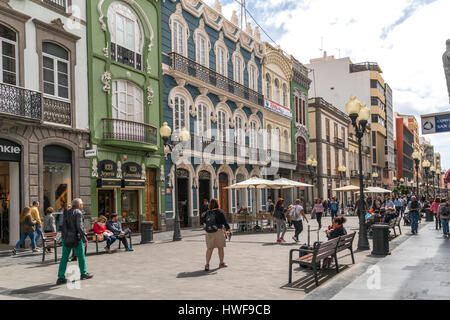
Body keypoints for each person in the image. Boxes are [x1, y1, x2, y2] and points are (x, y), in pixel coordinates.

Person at [56, 198, 93, 285]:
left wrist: (63, 237)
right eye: (82, 203)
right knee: (81, 256)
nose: (82, 205)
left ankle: (60, 277)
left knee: (64, 258)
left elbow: (63, 225)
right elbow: (80, 227)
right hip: (75, 238)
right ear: (79, 205)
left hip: (66, 237)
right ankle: (83, 273)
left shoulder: (66, 212)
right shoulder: (78, 212)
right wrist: (84, 239)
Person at [204, 198, 232, 271]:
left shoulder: (207, 212)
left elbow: (204, 222)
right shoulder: (220, 211)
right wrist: (229, 229)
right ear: (218, 204)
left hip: (209, 232)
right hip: (218, 231)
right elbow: (225, 222)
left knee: (209, 249)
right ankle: (221, 263)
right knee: (220, 248)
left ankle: (207, 264)